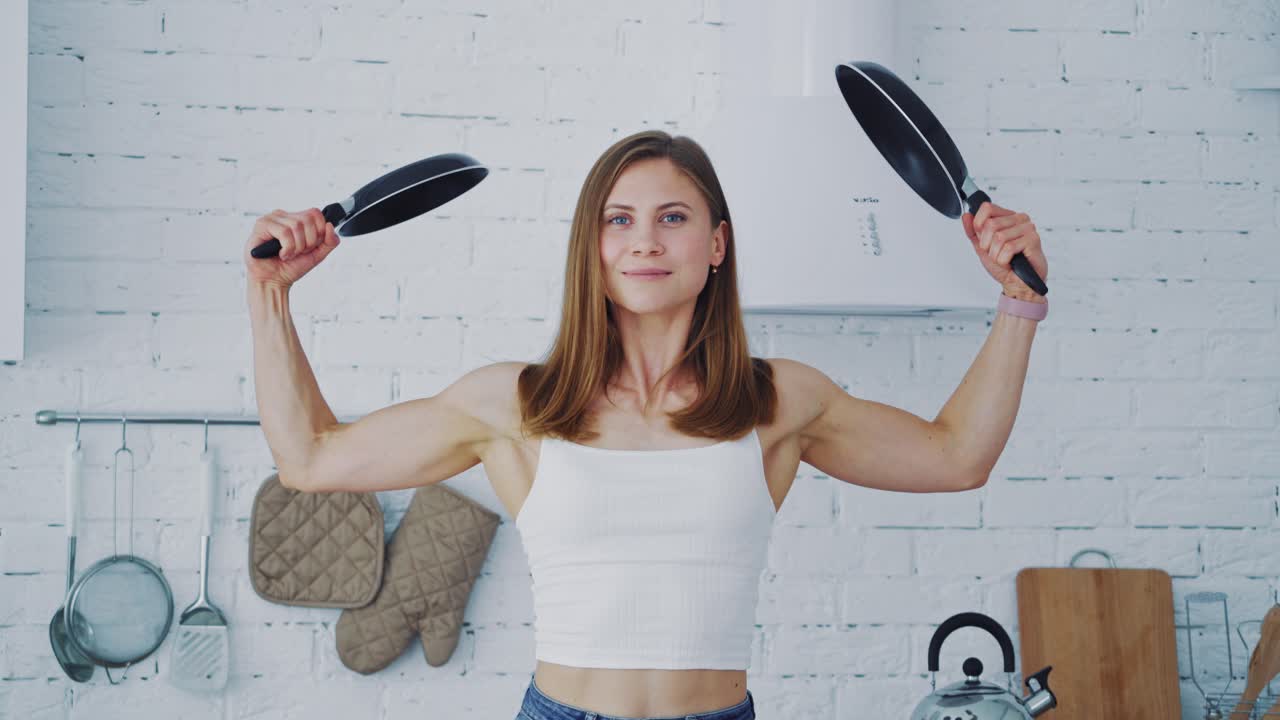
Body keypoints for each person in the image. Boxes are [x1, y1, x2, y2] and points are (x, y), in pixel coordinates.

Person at [244, 130, 1048, 720]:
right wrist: (270, 294)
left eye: (672, 217)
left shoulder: (778, 402)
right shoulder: (515, 403)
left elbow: (957, 457)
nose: (644, 242)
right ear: (590, 247)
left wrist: (1020, 304)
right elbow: (309, 459)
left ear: (716, 244)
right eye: (618, 220)